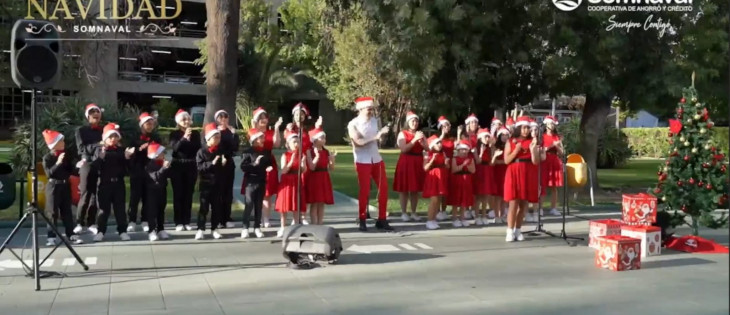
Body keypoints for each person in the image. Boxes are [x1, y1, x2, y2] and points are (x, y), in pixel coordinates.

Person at [347, 97, 394, 232]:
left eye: (372, 109)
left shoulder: (375, 121)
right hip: (362, 160)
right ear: (360, 109)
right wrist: (377, 136)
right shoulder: (353, 124)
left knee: (383, 188)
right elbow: (358, 142)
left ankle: (382, 219)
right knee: (364, 190)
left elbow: (379, 138)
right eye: (368, 109)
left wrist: (383, 135)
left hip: (376, 158)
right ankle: (362, 219)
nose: (371, 111)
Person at [503, 116, 545, 242]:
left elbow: (536, 161)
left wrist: (533, 150)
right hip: (514, 171)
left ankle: (518, 229)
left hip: (528, 172)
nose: (526, 130)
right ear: (518, 128)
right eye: (524, 127)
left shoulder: (533, 142)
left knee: (524, 204)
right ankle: (509, 230)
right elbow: (506, 160)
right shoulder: (511, 141)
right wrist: (516, 149)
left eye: (528, 128)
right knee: (513, 203)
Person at [92, 123, 134, 242]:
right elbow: (94, 168)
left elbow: (128, 169)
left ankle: (122, 231)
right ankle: (101, 231)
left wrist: (127, 158)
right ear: (105, 138)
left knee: (120, 209)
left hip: (118, 184)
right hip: (104, 184)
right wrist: (101, 157)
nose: (113, 139)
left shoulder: (121, 150)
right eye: (110, 137)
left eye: (115, 136)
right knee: (103, 209)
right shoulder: (99, 150)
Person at [42, 129, 83, 245]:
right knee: (52, 212)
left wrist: (78, 166)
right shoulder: (47, 158)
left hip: (65, 185)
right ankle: (51, 236)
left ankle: (71, 234)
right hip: (53, 186)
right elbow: (49, 173)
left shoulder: (66, 155)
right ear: (54, 144)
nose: (63, 143)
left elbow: (71, 170)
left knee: (67, 211)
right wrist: (58, 163)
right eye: (61, 141)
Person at [247, 107, 283, 228]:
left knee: (267, 194)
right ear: (256, 120)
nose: (263, 120)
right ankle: (256, 218)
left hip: (269, 163)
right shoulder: (253, 131)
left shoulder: (270, 132)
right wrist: (255, 127)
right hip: (256, 163)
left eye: (265, 117)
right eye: (260, 118)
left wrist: (277, 128)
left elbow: (277, 144)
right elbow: (251, 142)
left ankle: (266, 218)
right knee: (254, 194)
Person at [127, 112, 161, 233]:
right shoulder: (134, 137)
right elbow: (129, 152)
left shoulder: (156, 137)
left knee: (148, 196)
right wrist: (139, 148)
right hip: (137, 170)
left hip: (150, 170)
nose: (150, 125)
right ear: (142, 124)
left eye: (152, 123)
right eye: (147, 123)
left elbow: (159, 151)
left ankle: (145, 219)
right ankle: (131, 220)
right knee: (135, 197)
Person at [169, 109, 201, 231]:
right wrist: (184, 138)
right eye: (183, 119)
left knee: (188, 194)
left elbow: (197, 148)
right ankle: (178, 221)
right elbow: (175, 148)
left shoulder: (196, 134)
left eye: (188, 119)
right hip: (177, 166)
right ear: (178, 122)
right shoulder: (174, 134)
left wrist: (189, 139)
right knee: (178, 194)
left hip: (191, 165)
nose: (186, 121)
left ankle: (186, 221)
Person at [74, 103, 103, 235]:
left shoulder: (103, 131)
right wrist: (97, 146)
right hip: (86, 163)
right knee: (85, 193)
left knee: (95, 195)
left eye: (97, 112)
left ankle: (91, 222)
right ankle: (79, 222)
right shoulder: (81, 130)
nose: (95, 115)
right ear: (88, 116)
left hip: (99, 164)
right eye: (92, 113)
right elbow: (81, 149)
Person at [195, 123, 227, 240]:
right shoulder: (201, 152)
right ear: (208, 138)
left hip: (218, 183)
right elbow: (199, 167)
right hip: (206, 183)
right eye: (215, 137)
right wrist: (211, 163)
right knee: (204, 207)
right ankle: (200, 229)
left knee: (217, 207)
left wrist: (223, 163)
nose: (218, 139)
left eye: (219, 137)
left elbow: (222, 168)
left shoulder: (220, 151)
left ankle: (214, 228)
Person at [239, 129, 273, 239]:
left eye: (263, 137)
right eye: (261, 138)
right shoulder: (247, 152)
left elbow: (269, 163)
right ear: (255, 140)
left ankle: (257, 227)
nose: (263, 140)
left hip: (261, 181)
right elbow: (243, 167)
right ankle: (245, 228)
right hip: (250, 181)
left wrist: (269, 167)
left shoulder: (266, 151)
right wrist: (255, 163)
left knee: (259, 205)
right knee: (249, 205)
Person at [394, 111, 426, 222]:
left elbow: (427, 148)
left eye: (416, 120)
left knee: (415, 189)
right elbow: (404, 148)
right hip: (406, 161)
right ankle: (403, 212)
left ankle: (413, 212)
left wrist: (423, 143)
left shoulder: (420, 134)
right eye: (413, 120)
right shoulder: (402, 134)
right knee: (404, 189)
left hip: (417, 161)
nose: (415, 123)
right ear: (408, 122)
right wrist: (414, 140)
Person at [276, 130, 307, 237]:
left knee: (296, 205)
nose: (297, 144)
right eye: (294, 142)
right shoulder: (285, 155)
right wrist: (291, 161)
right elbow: (283, 170)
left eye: (298, 142)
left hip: (296, 181)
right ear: (288, 144)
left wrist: (303, 163)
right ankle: (282, 227)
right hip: (287, 182)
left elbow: (303, 170)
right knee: (284, 206)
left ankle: (296, 226)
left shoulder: (301, 155)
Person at [214, 109, 240, 229]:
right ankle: (219, 218)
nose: (223, 120)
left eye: (225, 118)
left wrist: (234, 134)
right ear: (217, 119)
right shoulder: (214, 131)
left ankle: (227, 217)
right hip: (218, 163)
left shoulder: (231, 132)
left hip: (229, 163)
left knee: (228, 192)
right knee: (219, 192)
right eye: (221, 118)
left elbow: (235, 148)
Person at [305, 127, 336, 225]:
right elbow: (312, 167)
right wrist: (317, 157)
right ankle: (314, 223)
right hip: (314, 178)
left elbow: (331, 168)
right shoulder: (309, 151)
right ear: (315, 139)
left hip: (324, 177)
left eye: (324, 138)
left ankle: (320, 223)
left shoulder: (326, 151)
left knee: (321, 203)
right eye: (321, 138)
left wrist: (332, 160)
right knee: (314, 202)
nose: (324, 140)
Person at [144, 142, 172, 242]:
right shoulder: (149, 165)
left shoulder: (162, 163)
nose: (163, 155)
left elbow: (167, 176)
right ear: (155, 155)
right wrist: (164, 168)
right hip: (152, 191)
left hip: (162, 189)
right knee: (152, 211)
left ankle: (161, 229)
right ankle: (152, 230)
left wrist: (167, 168)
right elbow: (155, 177)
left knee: (161, 210)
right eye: (161, 153)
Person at [422, 135, 449, 230]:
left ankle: (433, 219)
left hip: (441, 178)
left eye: (440, 142)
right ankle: (429, 220)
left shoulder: (443, 154)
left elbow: (447, 167)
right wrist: (432, 159)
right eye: (437, 143)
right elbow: (425, 168)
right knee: (434, 200)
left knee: (438, 200)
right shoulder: (428, 154)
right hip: (433, 178)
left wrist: (446, 163)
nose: (440, 144)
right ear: (432, 145)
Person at [450, 140, 476, 227]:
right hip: (457, 179)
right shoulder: (454, 159)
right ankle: (454, 217)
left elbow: (473, 170)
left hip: (467, 179)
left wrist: (468, 166)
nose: (464, 151)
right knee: (456, 199)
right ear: (458, 150)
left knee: (464, 199)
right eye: (462, 149)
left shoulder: (470, 159)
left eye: (465, 150)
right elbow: (454, 170)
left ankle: (462, 217)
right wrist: (463, 165)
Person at [459, 113, 479, 220]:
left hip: (475, 162)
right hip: (466, 161)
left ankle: (472, 209)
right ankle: (465, 209)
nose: (474, 124)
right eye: (472, 122)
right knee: (466, 186)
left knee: (474, 187)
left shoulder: (478, 135)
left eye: (475, 122)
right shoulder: (464, 136)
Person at [542, 115, 564, 216]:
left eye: (553, 124)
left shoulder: (557, 137)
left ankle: (553, 208)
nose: (551, 125)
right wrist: (552, 145)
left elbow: (562, 153)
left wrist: (558, 146)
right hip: (545, 160)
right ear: (546, 124)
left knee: (554, 187)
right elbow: (543, 149)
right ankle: (540, 207)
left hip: (554, 160)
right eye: (550, 123)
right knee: (542, 185)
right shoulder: (542, 136)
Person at [488, 127, 510, 223]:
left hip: (507, 172)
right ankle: (497, 216)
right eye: (503, 135)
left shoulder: (509, 146)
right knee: (498, 196)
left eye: (506, 135)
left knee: (505, 195)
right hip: (498, 173)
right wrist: (503, 161)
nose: (505, 137)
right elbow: (493, 162)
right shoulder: (495, 147)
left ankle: (503, 214)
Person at [435, 116, 453, 221]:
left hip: (449, 165)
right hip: (440, 165)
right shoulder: (437, 138)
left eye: (448, 125)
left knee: (446, 189)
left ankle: (443, 210)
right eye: (445, 126)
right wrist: (441, 135)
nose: (447, 127)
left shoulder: (451, 139)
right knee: (439, 189)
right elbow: (437, 144)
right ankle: (437, 210)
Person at [473, 128, 492, 226]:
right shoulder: (476, 148)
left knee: (485, 195)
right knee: (478, 196)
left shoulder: (489, 148)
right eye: (486, 136)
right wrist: (481, 152)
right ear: (480, 138)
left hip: (487, 170)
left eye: (488, 136)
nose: (487, 138)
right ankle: (477, 216)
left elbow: (490, 161)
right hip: (479, 171)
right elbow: (477, 161)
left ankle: (484, 215)